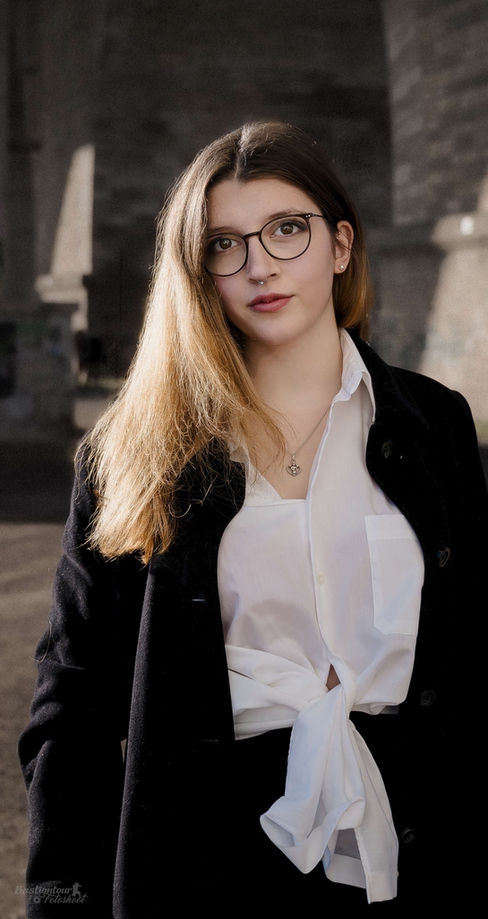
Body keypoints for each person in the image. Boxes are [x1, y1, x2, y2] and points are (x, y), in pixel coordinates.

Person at [19, 121, 487, 917]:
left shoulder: (436, 424)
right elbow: (73, 706)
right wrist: (60, 899)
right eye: (224, 244)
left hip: (418, 849)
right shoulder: (133, 451)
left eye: (287, 229)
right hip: (207, 868)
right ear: (198, 273)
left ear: (341, 245)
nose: (259, 264)